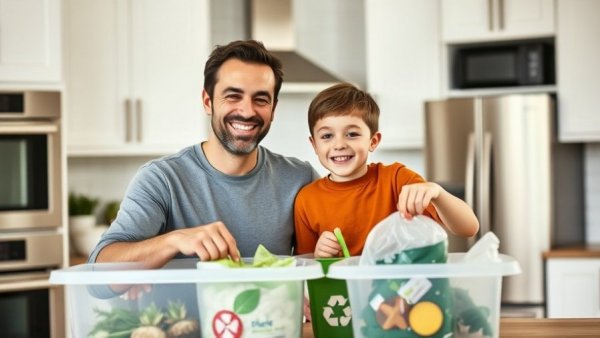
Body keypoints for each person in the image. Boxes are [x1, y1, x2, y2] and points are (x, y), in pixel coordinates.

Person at [89, 40, 319, 268]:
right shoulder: (162, 180)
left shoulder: (300, 179)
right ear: (208, 102)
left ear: (273, 109)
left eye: (260, 99)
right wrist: (174, 240)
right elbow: (99, 270)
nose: (248, 111)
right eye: (233, 96)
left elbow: (338, 260)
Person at [294, 83, 479, 258]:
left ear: (373, 141)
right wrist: (319, 255)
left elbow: (469, 227)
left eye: (352, 134)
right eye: (327, 136)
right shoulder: (307, 200)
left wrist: (437, 193)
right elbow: (305, 269)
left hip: (404, 290)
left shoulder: (397, 179)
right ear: (314, 145)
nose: (340, 144)